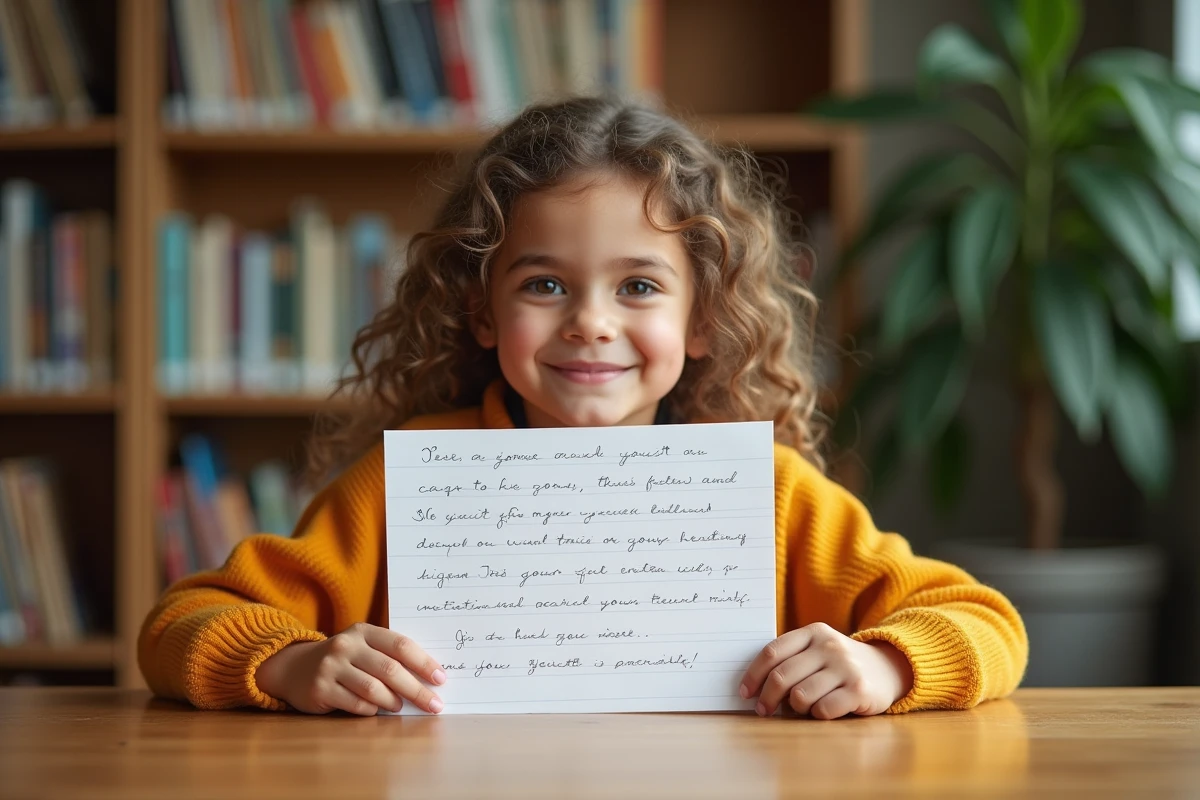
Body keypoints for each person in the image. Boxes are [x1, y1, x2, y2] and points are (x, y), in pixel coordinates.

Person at [139, 97, 1027, 720]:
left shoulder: (769, 492)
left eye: (639, 285)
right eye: (546, 284)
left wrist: (883, 663)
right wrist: (293, 664)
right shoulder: (398, 486)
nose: (592, 324)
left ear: (706, 319)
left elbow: (986, 623)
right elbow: (180, 626)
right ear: (482, 311)